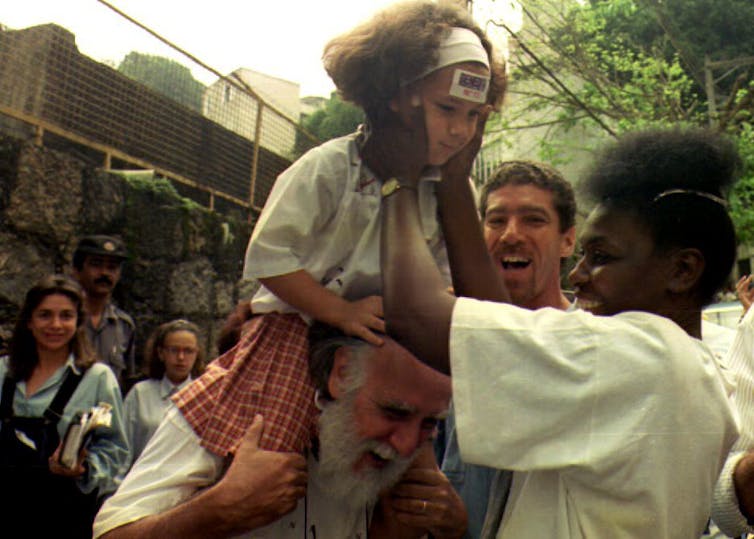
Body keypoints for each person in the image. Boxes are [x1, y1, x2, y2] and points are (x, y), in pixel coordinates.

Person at [172, 0, 506, 461]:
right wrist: (339, 311)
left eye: (474, 116)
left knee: (412, 464)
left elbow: (454, 285)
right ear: (397, 95)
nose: (459, 130)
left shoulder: (452, 188)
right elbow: (270, 258)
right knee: (277, 450)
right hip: (299, 329)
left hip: (384, 343)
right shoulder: (330, 167)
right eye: (447, 108)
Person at [379, 121, 740, 537]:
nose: (579, 276)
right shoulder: (684, 367)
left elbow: (412, 316)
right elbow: (499, 328)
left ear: (682, 270)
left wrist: (398, 179)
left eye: (602, 257)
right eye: (584, 255)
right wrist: (454, 181)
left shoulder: (638, 356)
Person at [94, 325, 466, 538]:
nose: (404, 444)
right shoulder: (232, 399)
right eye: (392, 412)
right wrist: (218, 509)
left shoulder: (409, 450)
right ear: (341, 373)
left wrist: (438, 523)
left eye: (430, 422)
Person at [440, 159, 576, 538]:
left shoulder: (597, 342)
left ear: (568, 240)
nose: (511, 234)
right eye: (496, 221)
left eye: (533, 220)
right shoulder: (451, 336)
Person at [0, 275, 129, 538]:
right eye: (45, 315)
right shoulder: (2, 372)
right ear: (29, 321)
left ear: (78, 322)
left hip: (63, 517)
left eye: (66, 316)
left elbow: (116, 450)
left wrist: (86, 468)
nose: (55, 325)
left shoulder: (98, 379)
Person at [122, 319, 205, 467]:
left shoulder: (204, 396)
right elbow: (123, 447)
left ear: (196, 354)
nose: (181, 358)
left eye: (188, 351)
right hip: (143, 480)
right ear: (161, 353)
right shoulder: (140, 394)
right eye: (174, 350)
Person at [72, 234, 136, 388]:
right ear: (77, 270)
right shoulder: (65, 321)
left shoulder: (124, 325)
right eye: (96, 265)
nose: (104, 273)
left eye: (112, 267)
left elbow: (126, 382)